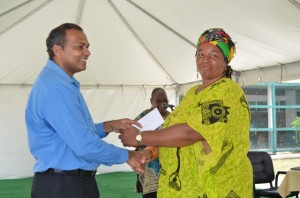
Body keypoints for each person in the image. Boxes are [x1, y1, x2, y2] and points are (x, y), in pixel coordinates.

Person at [119, 28, 253, 197]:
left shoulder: (227, 91)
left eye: (214, 55)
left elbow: (191, 133)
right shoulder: (193, 94)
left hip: (219, 186)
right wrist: (150, 152)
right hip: (188, 187)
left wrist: (140, 136)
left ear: (225, 62)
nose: (205, 60)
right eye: (200, 54)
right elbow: (172, 133)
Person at [25, 23, 144, 198]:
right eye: (80, 47)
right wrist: (127, 155)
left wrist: (108, 126)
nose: (87, 52)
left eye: (87, 47)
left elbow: (69, 135)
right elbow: (84, 145)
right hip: (63, 187)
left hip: (69, 183)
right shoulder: (56, 87)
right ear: (58, 50)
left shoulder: (61, 83)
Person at [135, 88, 170, 198]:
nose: (162, 104)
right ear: (151, 101)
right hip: (150, 168)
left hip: (168, 166)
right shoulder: (144, 117)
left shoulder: (172, 117)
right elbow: (132, 138)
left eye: (165, 101)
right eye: (158, 101)